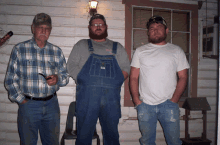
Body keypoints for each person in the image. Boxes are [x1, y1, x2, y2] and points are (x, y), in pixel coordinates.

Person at [4, 13, 69, 145]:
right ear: (33, 28)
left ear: (50, 30)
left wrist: (58, 78)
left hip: (52, 105)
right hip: (29, 106)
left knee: (51, 142)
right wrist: (22, 101)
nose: (44, 31)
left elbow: (65, 77)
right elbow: (10, 80)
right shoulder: (20, 49)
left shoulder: (56, 51)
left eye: (47, 28)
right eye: (40, 27)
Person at [67, 13, 130, 145]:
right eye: (95, 25)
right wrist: (84, 79)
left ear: (106, 27)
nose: (98, 27)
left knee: (112, 136)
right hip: (87, 97)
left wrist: (115, 82)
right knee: (83, 136)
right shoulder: (81, 45)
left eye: (101, 24)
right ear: (89, 27)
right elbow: (71, 66)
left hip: (111, 99)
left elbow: (126, 68)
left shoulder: (117, 47)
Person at [129, 15, 190, 145]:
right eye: (152, 28)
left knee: (174, 141)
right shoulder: (140, 51)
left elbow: (183, 77)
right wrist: (137, 101)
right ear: (148, 32)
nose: (155, 30)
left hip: (169, 105)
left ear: (166, 30)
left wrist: (174, 100)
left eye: (159, 27)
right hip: (145, 105)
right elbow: (133, 77)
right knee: (146, 142)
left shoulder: (177, 51)